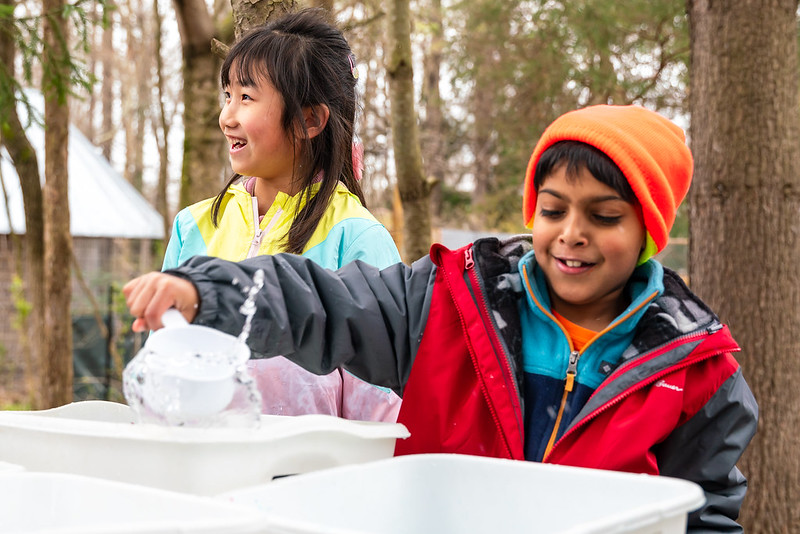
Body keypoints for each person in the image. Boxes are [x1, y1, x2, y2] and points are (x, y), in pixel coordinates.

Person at [125, 105, 758, 532]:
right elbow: (322, 300)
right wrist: (206, 289)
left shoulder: (697, 374)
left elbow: (701, 516)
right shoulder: (451, 301)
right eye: (553, 208)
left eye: (604, 216)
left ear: (648, 230)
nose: (571, 235)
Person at [161, 8, 402, 422]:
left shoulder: (357, 237)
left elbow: (380, 407)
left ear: (310, 119)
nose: (226, 118)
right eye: (228, 96)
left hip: (312, 480)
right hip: (202, 474)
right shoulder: (193, 227)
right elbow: (163, 365)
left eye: (247, 98)